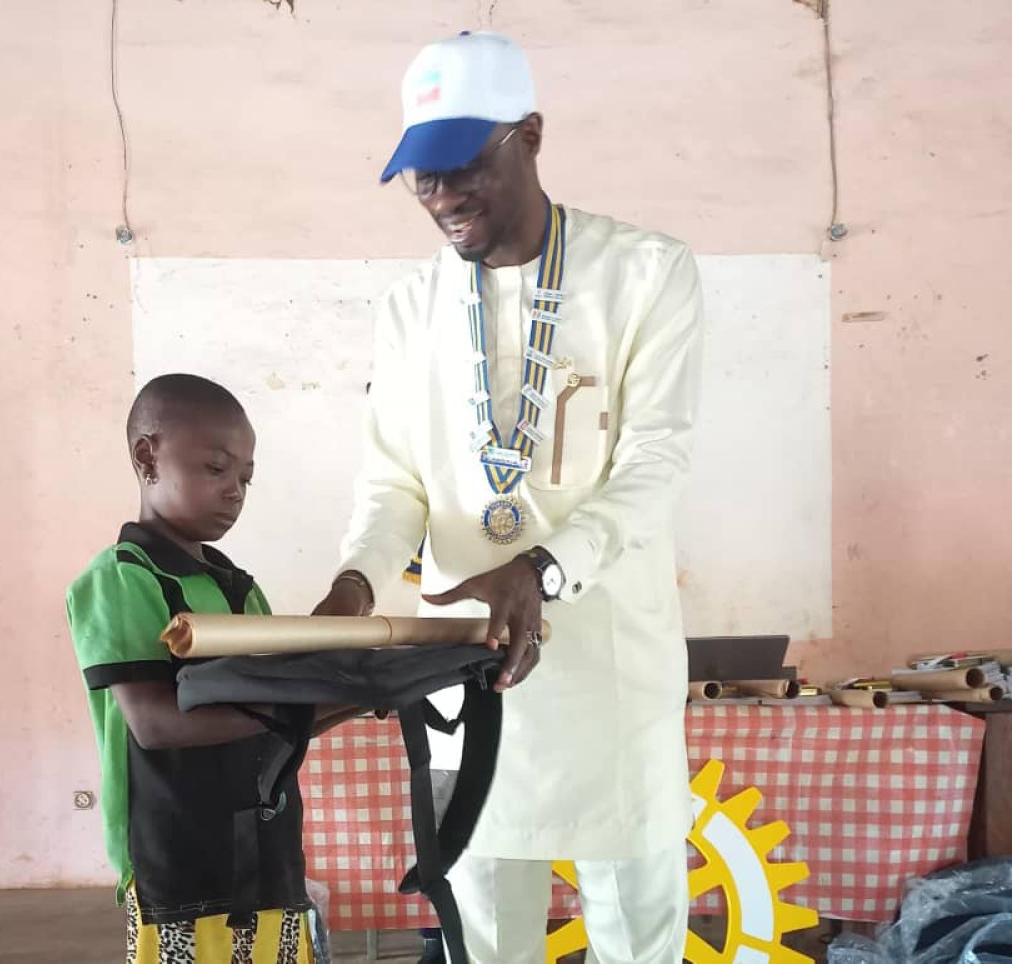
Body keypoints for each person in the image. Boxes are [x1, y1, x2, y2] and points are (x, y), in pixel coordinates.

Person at [314, 31, 705, 964]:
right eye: (421, 177)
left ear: (529, 134)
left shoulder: (646, 272)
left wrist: (543, 567)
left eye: (463, 166)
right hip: (464, 667)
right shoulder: (409, 308)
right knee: (483, 932)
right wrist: (356, 582)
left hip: (611, 665)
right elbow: (394, 481)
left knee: (637, 933)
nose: (442, 195)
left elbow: (655, 461)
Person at [68, 374, 354, 964]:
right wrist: (312, 702)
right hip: (180, 866)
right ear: (147, 456)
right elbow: (155, 723)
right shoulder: (124, 578)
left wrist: (365, 694)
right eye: (217, 469)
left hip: (266, 853)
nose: (235, 492)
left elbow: (275, 724)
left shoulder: (240, 589)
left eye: (245, 477)